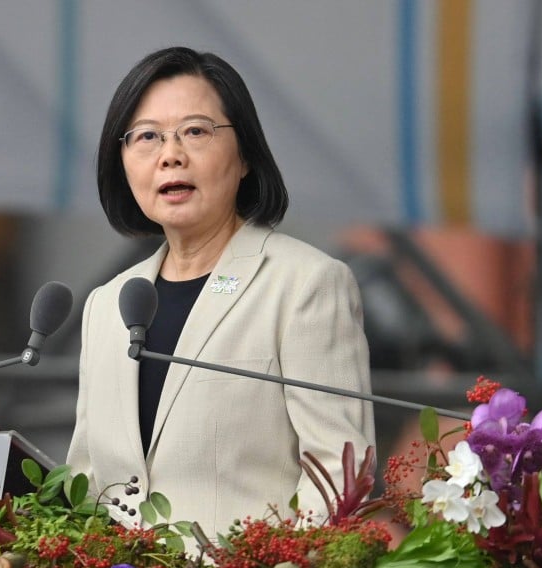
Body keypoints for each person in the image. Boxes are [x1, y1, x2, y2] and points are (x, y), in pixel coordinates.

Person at [66, 46, 374, 542]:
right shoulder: (108, 304)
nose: (170, 154)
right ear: (121, 160)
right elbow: (85, 482)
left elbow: (340, 474)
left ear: (246, 154)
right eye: (147, 137)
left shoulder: (303, 284)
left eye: (195, 131)